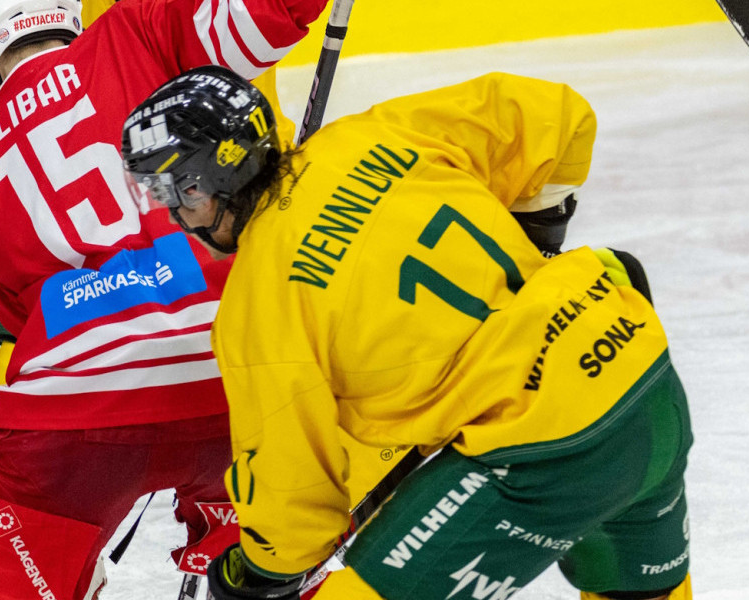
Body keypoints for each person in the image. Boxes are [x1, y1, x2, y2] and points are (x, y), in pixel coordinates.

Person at [119, 69, 694, 600]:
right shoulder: (375, 134)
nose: (174, 216)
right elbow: (552, 114)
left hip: (542, 452)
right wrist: (538, 231)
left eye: (176, 193)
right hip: (640, 373)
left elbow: (291, 495)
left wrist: (257, 571)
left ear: (215, 179)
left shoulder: (259, 305)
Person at [0, 0, 326, 597]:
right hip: (237, 363)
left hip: (82, 403)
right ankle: (244, 545)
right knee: (275, 569)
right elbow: (264, 17)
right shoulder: (134, 29)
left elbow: (28, 324)